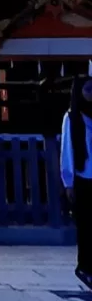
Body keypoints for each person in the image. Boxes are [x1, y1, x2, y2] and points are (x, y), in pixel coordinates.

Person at [61, 75, 92, 286]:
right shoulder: (71, 118)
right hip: (83, 177)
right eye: (88, 89)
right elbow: (67, 151)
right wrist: (68, 181)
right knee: (86, 225)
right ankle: (85, 266)